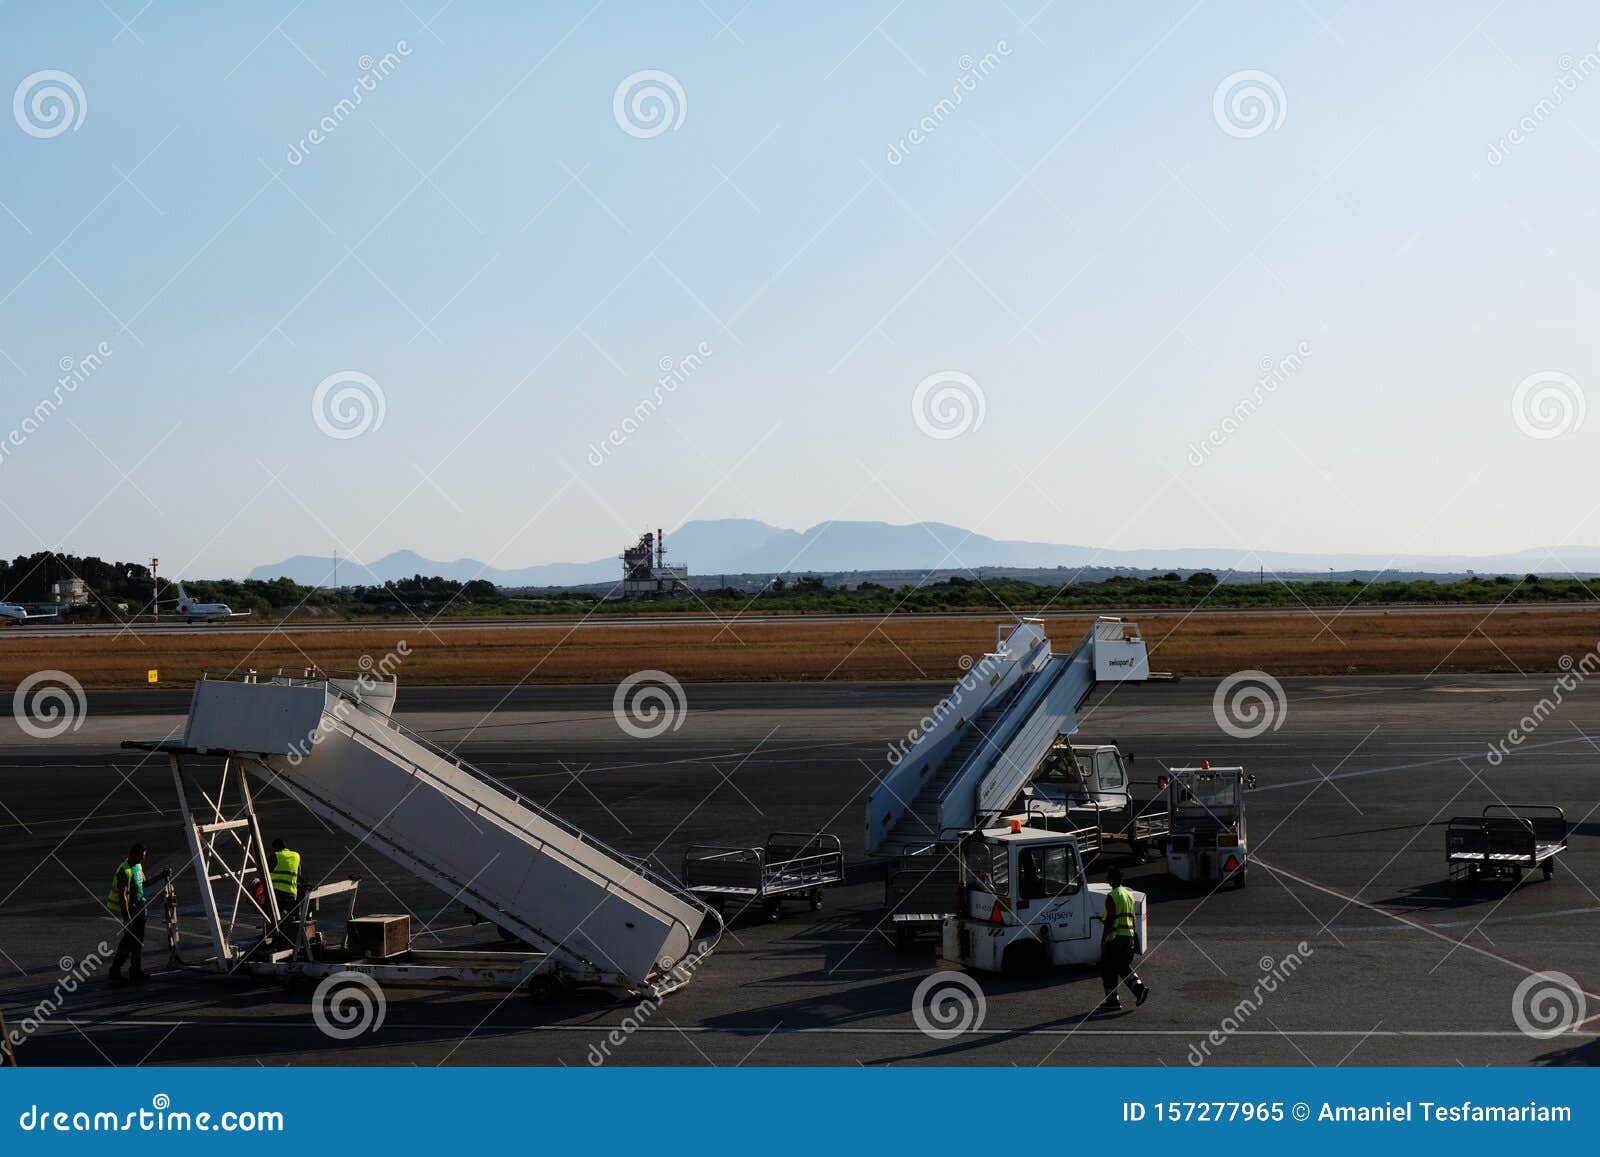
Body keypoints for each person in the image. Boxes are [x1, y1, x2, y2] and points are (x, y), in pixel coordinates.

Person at [106, 843, 168, 985]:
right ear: (133, 854)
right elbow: (123, 896)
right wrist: (126, 916)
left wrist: (161, 876)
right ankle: (115, 970)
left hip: (140, 907)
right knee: (128, 941)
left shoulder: (137, 866)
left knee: (138, 941)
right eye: (141, 856)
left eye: (144, 857)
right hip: (132, 910)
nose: (143, 859)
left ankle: (135, 970)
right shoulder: (124, 870)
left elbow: (144, 883)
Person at [1098, 866, 1150, 1012]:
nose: (1106, 878)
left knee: (1108, 968)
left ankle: (1115, 1000)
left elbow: (1110, 919)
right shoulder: (1128, 894)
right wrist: (1133, 937)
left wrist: (1103, 940)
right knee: (1120, 966)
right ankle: (1136, 990)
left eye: (1107, 876)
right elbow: (1132, 918)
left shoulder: (1112, 895)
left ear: (1112, 879)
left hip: (1115, 937)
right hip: (1127, 936)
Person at [269, 839, 302, 909]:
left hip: (276, 893)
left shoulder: (275, 856)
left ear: (276, 847)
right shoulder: (296, 856)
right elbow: (299, 875)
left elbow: (264, 873)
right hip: (292, 894)